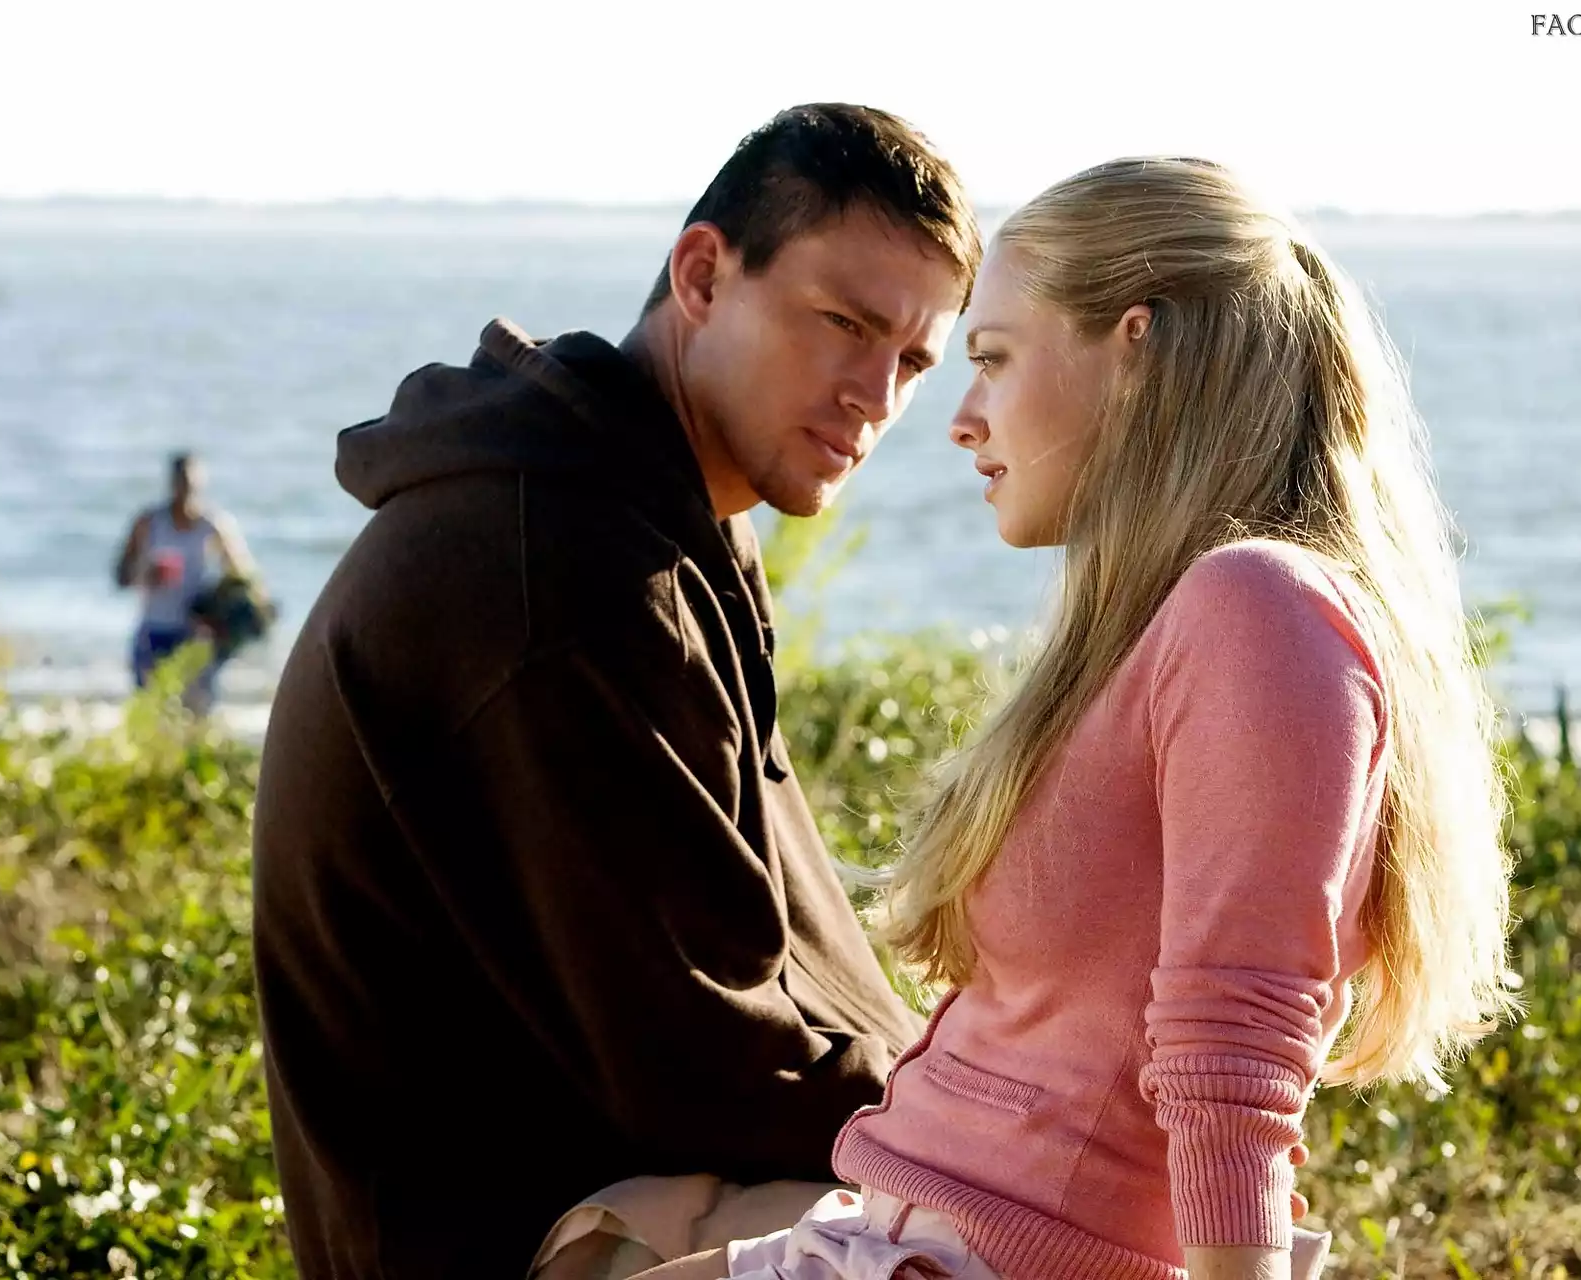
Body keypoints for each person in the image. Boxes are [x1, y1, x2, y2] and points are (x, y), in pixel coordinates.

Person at [648, 159, 1517, 1280]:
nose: (960, 420)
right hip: (902, 1226)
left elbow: (1237, 1044)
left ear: (1135, 348)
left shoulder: (1259, 608)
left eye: (993, 359)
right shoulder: (1170, 620)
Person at [249, 105, 980, 1280]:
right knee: (988, 1246)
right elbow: (705, 1059)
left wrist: (982, 1092)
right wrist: (995, 1123)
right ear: (703, 275)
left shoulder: (663, 523)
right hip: (524, 1233)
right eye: (844, 323)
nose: (874, 393)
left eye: (912, 360)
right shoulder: (555, 568)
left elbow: (782, 975)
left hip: (625, 1177)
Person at [112, 451, 253, 714]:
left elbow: (243, 577)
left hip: (195, 631)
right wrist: (144, 574)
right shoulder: (149, 522)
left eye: (192, 485)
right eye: (182, 484)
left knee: (196, 713)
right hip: (154, 628)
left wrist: (218, 608)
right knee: (149, 711)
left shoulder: (214, 525)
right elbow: (120, 575)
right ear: (171, 483)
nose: (187, 492)